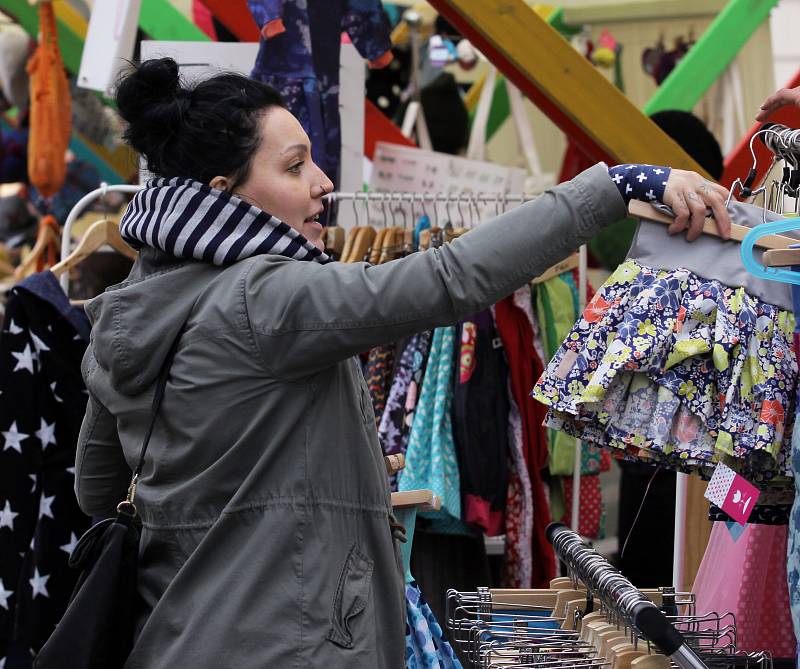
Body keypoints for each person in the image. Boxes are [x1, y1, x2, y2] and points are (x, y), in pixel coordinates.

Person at [74, 58, 730, 668]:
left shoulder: (126, 312)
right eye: (296, 165)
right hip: (287, 646)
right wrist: (612, 187)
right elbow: (449, 278)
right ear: (223, 194)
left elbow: (97, 490)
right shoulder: (265, 298)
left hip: (173, 636)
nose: (323, 183)